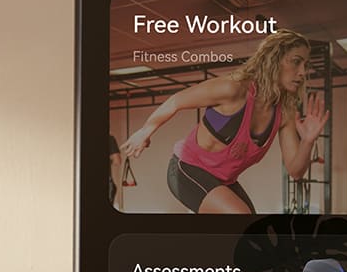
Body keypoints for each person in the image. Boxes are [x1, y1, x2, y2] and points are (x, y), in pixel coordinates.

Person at [110, 28, 329, 217]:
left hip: (223, 180)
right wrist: (145, 131)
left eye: (305, 65)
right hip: (186, 169)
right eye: (296, 62)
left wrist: (308, 141)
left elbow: (295, 171)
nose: (302, 72)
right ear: (273, 59)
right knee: (241, 216)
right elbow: (177, 100)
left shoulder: (285, 112)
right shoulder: (234, 89)